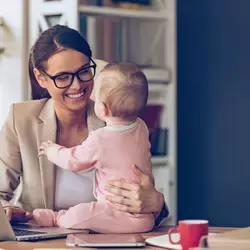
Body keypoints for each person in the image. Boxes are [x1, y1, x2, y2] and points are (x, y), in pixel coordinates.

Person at [0, 24, 168, 227]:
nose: (77, 85)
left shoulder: (119, 120)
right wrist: (7, 211)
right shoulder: (21, 119)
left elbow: (148, 205)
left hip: (110, 241)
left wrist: (156, 202)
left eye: (83, 72)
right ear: (41, 78)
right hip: (46, 244)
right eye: (63, 77)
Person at [33, 62, 154, 233]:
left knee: (81, 213)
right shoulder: (141, 127)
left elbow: (74, 160)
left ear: (103, 109)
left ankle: (56, 218)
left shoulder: (101, 138)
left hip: (116, 213)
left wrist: (52, 150)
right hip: (145, 218)